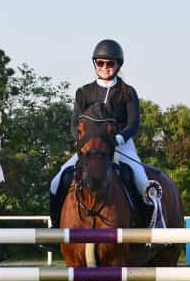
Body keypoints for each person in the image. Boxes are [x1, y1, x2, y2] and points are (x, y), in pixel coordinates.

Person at [49, 39, 162, 226]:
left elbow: (133, 123)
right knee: (58, 180)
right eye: (100, 63)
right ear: (95, 64)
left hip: (121, 147)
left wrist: (119, 138)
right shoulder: (83, 92)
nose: (105, 67)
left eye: (110, 63)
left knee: (142, 182)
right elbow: (74, 124)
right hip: (89, 149)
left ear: (118, 65)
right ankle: (55, 228)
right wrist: (81, 143)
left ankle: (150, 228)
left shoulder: (127, 92)